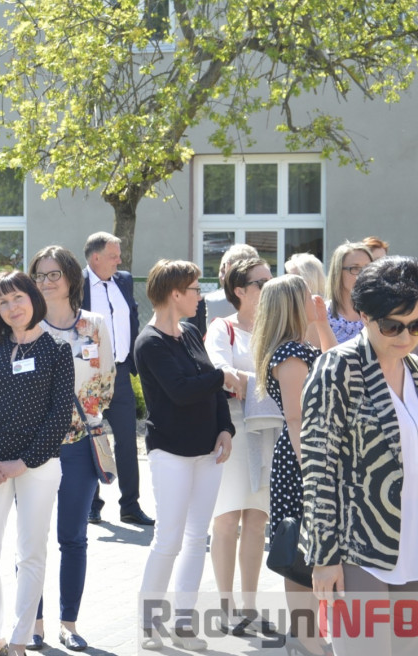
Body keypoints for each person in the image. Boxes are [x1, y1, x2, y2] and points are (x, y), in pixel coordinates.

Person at [302, 256, 418, 656]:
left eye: (416, 326)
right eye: (392, 326)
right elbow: (318, 469)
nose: (406, 337)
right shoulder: (337, 368)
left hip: (411, 548)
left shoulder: (414, 370)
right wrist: (324, 558)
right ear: (365, 316)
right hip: (359, 552)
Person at [0, 271, 74, 656]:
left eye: (18, 298)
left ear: (33, 298)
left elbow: (60, 415)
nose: (12, 307)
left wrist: (23, 462)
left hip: (37, 466)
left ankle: (19, 640)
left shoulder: (57, 349)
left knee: (30, 553)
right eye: (3, 302)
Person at [135, 260, 238, 651]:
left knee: (197, 539)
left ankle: (183, 624)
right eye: (195, 289)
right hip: (171, 453)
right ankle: (149, 626)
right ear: (175, 293)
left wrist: (225, 428)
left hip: (208, 450)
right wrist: (222, 376)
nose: (200, 296)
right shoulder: (149, 342)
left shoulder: (192, 331)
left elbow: (211, 388)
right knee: (168, 540)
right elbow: (181, 390)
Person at [28, 246, 115, 652]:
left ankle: (69, 623)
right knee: (31, 541)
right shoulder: (27, 326)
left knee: (73, 538)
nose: (46, 282)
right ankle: (33, 623)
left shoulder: (94, 325)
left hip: (80, 444)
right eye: (39, 275)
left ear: (70, 278)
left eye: (54, 274)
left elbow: (106, 381)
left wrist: (80, 417)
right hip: (34, 449)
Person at [252, 274, 331, 656]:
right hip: (302, 459)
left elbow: (338, 364)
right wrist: (312, 471)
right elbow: (296, 419)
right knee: (298, 553)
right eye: (307, 295)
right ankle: (303, 639)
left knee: (311, 551)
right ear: (292, 304)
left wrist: (323, 323)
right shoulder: (291, 354)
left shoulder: (302, 347)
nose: (315, 298)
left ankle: (307, 636)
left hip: (311, 453)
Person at [202, 257, 274, 635]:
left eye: (271, 279)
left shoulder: (277, 328)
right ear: (240, 291)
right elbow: (221, 373)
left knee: (257, 521)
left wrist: (252, 383)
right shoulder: (222, 327)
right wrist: (269, 383)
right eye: (261, 282)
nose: (269, 286)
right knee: (227, 519)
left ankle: (249, 607)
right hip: (231, 428)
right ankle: (225, 607)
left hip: (268, 430)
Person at [80, 232, 152, 526]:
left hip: (120, 373)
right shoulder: (77, 284)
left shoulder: (123, 280)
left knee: (127, 442)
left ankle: (130, 506)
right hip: (89, 376)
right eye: (113, 255)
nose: (119, 261)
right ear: (95, 258)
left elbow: (131, 317)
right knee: (91, 440)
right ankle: (91, 504)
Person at [326, 242, 373, 344]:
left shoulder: (379, 313)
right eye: (355, 268)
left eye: (367, 268)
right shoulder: (322, 315)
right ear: (338, 272)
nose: (362, 275)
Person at [203, 244, 260, 327]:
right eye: (222, 271)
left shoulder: (212, 301)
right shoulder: (207, 301)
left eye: (230, 273)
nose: (224, 278)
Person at [285, 253, 328, 349]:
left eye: (293, 277)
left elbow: (314, 351)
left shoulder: (317, 309)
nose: (287, 281)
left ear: (309, 279)